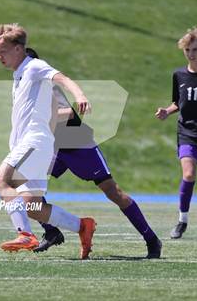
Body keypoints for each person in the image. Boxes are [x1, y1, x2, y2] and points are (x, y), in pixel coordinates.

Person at [24, 48, 162, 259]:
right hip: (52, 147)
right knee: (24, 184)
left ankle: (152, 239)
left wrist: (41, 118)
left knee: (113, 192)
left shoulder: (45, 86)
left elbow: (68, 113)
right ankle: (51, 231)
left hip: (78, 144)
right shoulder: (23, 89)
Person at [0, 23, 96, 259]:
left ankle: (25, 234)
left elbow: (62, 78)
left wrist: (79, 95)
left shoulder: (34, 66)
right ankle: (82, 226)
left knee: (0, 182)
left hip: (34, 142)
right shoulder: (19, 74)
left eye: (3, 51)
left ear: (19, 49)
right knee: (32, 206)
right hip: (31, 144)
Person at [156, 25, 197, 239]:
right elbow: (178, 102)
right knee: (189, 173)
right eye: (188, 50)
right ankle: (182, 221)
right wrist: (167, 111)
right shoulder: (179, 75)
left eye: (195, 49)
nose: (191, 54)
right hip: (187, 132)